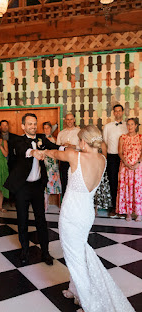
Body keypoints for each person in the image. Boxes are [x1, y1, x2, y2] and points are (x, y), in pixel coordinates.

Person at [44, 125, 135, 312]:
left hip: (71, 214)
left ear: (83, 141)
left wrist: (40, 151)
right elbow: (79, 152)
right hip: (86, 213)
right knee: (79, 252)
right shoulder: (102, 158)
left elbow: (54, 153)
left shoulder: (74, 156)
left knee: (75, 258)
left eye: (79, 140)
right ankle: (74, 289)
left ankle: (89, 305)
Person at [4, 113, 64, 266]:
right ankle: (25, 250)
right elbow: (24, 150)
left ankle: (46, 252)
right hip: (22, 187)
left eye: (34, 123)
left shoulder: (41, 138)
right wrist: (34, 152)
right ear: (23, 126)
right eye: (29, 124)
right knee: (22, 220)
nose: (33, 126)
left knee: (41, 220)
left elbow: (55, 147)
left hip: (37, 186)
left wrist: (69, 149)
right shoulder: (17, 140)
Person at [103, 104, 128, 217]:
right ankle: (114, 207)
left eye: (119, 111)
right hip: (112, 157)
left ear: (122, 112)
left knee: (124, 183)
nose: (117, 113)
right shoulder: (107, 126)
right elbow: (104, 143)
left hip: (125, 158)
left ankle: (123, 209)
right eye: (115, 111)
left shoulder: (127, 126)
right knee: (113, 182)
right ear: (113, 113)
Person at [116, 118, 142, 222]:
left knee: (138, 189)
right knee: (126, 188)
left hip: (138, 167)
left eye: (132, 124)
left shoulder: (140, 137)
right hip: (125, 167)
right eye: (128, 124)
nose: (130, 126)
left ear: (136, 126)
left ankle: (139, 213)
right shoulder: (122, 137)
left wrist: (138, 163)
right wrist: (126, 162)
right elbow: (120, 152)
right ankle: (128, 213)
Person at [56, 113, 80, 196]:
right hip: (64, 161)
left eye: (71, 119)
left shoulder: (79, 132)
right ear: (65, 121)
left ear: (74, 120)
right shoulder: (61, 133)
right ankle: (65, 204)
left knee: (76, 182)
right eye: (67, 119)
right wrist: (62, 147)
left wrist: (73, 146)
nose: (69, 121)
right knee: (64, 182)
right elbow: (57, 147)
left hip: (76, 161)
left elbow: (83, 147)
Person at [43, 121, 61, 212]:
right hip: (45, 164)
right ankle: (46, 203)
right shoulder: (41, 139)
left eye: (48, 128)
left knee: (55, 182)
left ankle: (60, 203)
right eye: (45, 128)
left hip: (54, 164)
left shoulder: (55, 139)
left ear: (51, 129)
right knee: (46, 183)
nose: (46, 130)